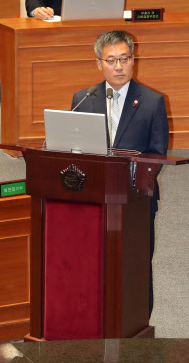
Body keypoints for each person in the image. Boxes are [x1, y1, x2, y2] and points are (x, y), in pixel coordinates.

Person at [71, 29, 169, 314]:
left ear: (133, 60)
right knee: (92, 263)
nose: (118, 66)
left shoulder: (152, 102)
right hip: (93, 199)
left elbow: (157, 155)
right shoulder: (82, 99)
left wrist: (132, 182)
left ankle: (138, 325)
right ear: (98, 63)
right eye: (111, 60)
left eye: (124, 59)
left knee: (136, 265)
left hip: (136, 200)